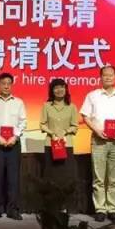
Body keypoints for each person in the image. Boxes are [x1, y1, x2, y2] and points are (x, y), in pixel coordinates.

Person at [81, 65, 115, 223]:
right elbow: (85, 116)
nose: (108, 77)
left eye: (111, 75)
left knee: (114, 178)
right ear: (100, 77)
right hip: (99, 140)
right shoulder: (92, 95)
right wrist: (96, 130)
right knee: (99, 177)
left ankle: (112, 209)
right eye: (105, 75)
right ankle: (100, 209)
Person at [0, 72, 27, 220]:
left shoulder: (19, 102)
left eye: (9, 83)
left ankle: (12, 209)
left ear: (12, 85)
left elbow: (23, 122)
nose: (6, 86)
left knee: (13, 178)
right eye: (3, 83)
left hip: (14, 143)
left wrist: (15, 137)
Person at [39, 78, 79, 210]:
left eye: (62, 87)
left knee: (65, 177)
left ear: (66, 89)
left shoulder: (72, 107)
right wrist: (52, 133)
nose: (59, 90)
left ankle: (64, 206)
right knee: (51, 176)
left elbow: (75, 126)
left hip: (66, 145)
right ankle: (50, 206)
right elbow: (42, 124)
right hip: (50, 145)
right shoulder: (46, 106)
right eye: (56, 87)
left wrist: (65, 132)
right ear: (52, 90)